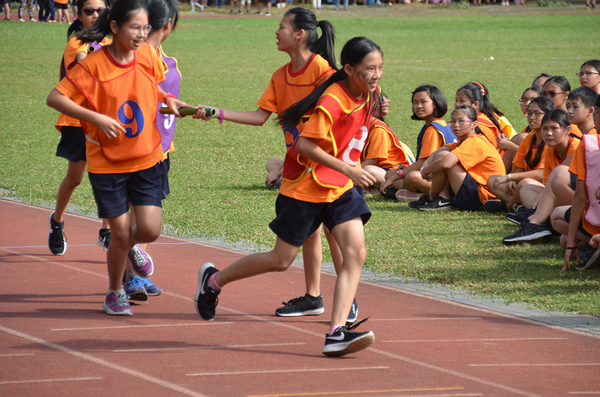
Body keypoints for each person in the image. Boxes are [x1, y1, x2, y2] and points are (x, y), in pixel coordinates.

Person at [194, 37, 383, 357]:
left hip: (339, 190)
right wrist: (351, 170)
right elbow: (306, 147)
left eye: (380, 67)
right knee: (280, 260)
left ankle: (337, 331)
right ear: (350, 69)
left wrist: (350, 170)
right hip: (305, 190)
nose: (377, 74)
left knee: (355, 253)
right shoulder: (332, 101)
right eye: (369, 69)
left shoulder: (370, 93)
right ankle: (214, 281)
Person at [46, 0, 189, 316]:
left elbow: (155, 87)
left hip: (147, 157)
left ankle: (128, 247)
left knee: (149, 230)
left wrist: (170, 100)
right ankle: (114, 292)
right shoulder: (94, 65)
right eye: (134, 28)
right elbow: (55, 97)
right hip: (107, 163)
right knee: (120, 232)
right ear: (114, 27)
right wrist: (95, 118)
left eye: (145, 28)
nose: (141, 35)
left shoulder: (148, 55)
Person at [122, 0, 180, 302]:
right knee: (136, 217)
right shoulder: (137, 56)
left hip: (161, 150)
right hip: (137, 149)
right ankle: (127, 278)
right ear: (168, 25)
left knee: (149, 216)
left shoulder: (167, 60)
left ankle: (136, 274)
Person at [47, 0, 112, 257]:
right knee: (75, 177)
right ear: (79, 14)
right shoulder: (77, 43)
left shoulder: (113, 39)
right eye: (89, 11)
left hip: (107, 120)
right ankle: (56, 221)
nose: (95, 15)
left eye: (100, 10)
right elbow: (87, 66)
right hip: (78, 119)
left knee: (110, 177)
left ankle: (107, 231)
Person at [502, 109, 582, 245]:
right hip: (558, 196)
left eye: (554, 128)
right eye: (545, 129)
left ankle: (534, 219)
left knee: (557, 175)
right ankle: (535, 215)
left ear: (568, 130)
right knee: (525, 187)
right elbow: (547, 184)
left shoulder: (577, 147)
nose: (548, 133)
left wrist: (510, 177)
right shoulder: (550, 148)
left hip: (575, 198)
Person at [417, 105, 504, 211]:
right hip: (476, 191)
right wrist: (426, 165)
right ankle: (438, 197)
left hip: (483, 196)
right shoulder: (465, 141)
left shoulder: (475, 141)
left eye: (461, 121)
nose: (456, 125)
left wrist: (425, 170)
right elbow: (440, 151)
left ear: (474, 124)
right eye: (453, 121)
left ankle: (433, 197)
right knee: (443, 154)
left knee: (445, 158)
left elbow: (446, 163)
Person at [379, 84, 456, 204]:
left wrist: (397, 176)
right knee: (390, 173)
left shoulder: (432, 129)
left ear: (435, 103)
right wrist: (404, 170)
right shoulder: (442, 124)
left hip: (443, 181)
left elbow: (423, 163)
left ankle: (422, 195)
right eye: (415, 102)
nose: (418, 106)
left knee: (410, 177)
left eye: (423, 102)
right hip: (438, 176)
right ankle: (416, 194)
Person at [484, 97, 554, 213]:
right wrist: (513, 180)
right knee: (492, 180)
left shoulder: (550, 140)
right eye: (529, 113)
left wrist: (511, 177)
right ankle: (520, 206)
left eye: (537, 113)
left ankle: (510, 206)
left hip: (543, 189)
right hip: (525, 186)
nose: (532, 117)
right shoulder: (528, 138)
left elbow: (541, 174)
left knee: (524, 183)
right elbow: (520, 166)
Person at [361, 116, 414, 191]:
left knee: (368, 171)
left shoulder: (378, 129)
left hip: (392, 171)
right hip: (385, 171)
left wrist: (349, 173)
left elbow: (371, 162)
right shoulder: (360, 128)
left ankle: (397, 188)